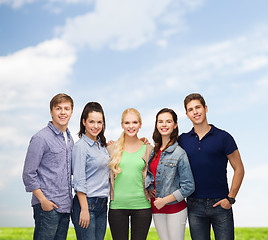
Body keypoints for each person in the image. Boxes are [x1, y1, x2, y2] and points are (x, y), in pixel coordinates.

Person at [179, 93, 245, 240]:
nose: (195, 112)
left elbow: (239, 168)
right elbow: (163, 148)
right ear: (187, 114)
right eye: (191, 109)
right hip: (194, 205)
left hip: (221, 204)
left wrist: (231, 199)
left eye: (198, 107)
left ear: (205, 108)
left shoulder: (224, 137)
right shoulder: (182, 140)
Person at [22, 93, 74, 240]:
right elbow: (28, 174)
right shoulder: (41, 138)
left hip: (65, 206)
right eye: (58, 108)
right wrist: (43, 201)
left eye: (66, 108)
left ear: (71, 112)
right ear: (51, 112)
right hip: (47, 207)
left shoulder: (69, 140)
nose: (63, 112)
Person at [146, 108, 195, 240]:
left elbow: (189, 186)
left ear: (175, 125)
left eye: (168, 121)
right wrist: (150, 188)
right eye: (160, 121)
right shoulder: (153, 151)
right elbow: (150, 174)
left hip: (175, 208)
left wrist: (165, 200)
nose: (164, 125)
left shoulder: (179, 153)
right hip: (156, 207)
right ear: (156, 125)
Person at [107, 108, 153, 240]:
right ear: (122, 125)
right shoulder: (111, 148)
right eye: (127, 123)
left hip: (142, 207)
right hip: (117, 207)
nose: (131, 126)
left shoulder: (149, 149)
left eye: (134, 122)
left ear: (140, 124)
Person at [71, 102, 110, 240]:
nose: (96, 126)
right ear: (84, 122)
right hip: (87, 204)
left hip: (102, 204)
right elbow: (79, 180)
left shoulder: (102, 145)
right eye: (91, 121)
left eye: (99, 122)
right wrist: (85, 209)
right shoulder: (81, 147)